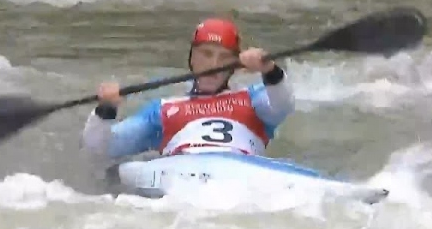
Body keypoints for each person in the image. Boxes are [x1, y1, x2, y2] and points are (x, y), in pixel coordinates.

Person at [81, 18, 295, 162]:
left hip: (242, 175)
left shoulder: (254, 99)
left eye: (224, 57)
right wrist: (105, 110)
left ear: (236, 65)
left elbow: (283, 105)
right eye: (206, 54)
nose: (214, 64)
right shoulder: (163, 110)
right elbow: (100, 149)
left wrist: (269, 69)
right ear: (192, 57)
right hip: (183, 180)